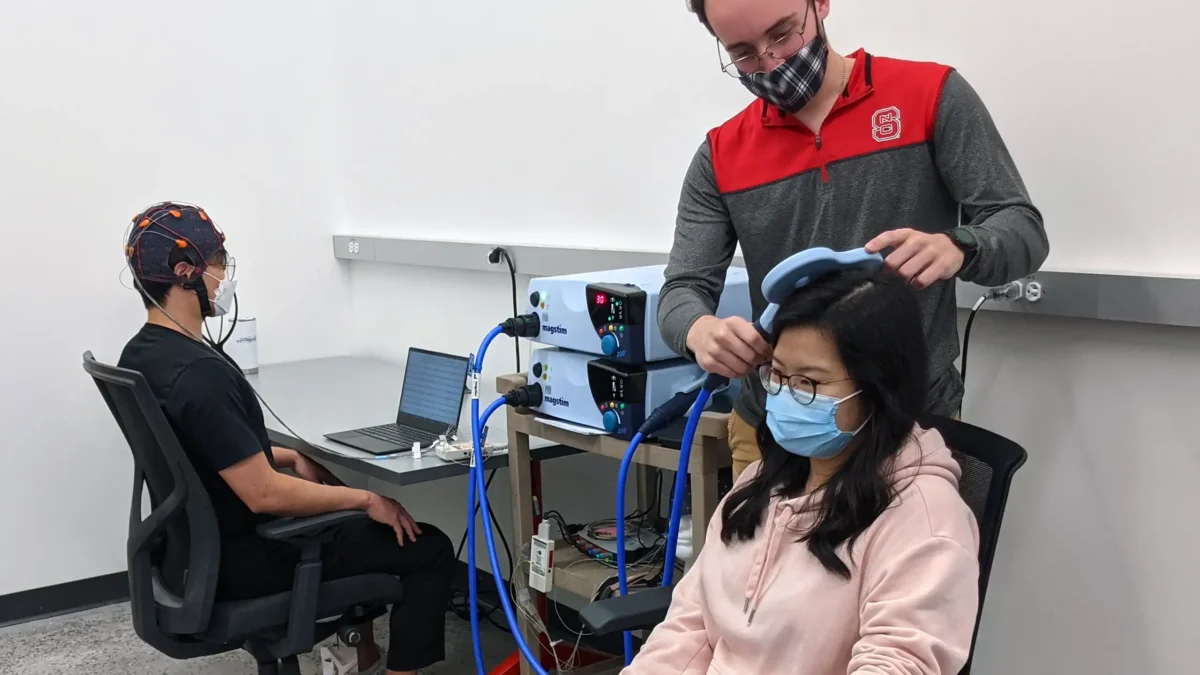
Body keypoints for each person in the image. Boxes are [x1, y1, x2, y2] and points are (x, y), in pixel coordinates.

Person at [658, 0, 1050, 479]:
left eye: (783, 35)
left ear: (819, 4)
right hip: (780, 430)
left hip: (911, 430)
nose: (771, 62)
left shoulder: (930, 97)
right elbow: (680, 291)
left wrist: (960, 246)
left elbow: (1022, 230)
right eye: (743, 53)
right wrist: (699, 331)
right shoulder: (720, 156)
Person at [117, 202, 454, 675]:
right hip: (249, 555)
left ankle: (361, 655)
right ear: (184, 272)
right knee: (429, 548)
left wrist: (284, 453)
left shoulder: (142, 354)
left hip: (192, 554)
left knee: (347, 512)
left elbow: (189, 450)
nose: (224, 276)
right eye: (218, 264)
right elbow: (263, 493)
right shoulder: (201, 376)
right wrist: (364, 498)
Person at [624, 268, 980, 674]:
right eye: (777, 374)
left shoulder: (924, 521)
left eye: (809, 382)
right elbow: (689, 626)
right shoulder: (761, 481)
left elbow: (898, 663)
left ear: (879, 391)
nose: (786, 394)